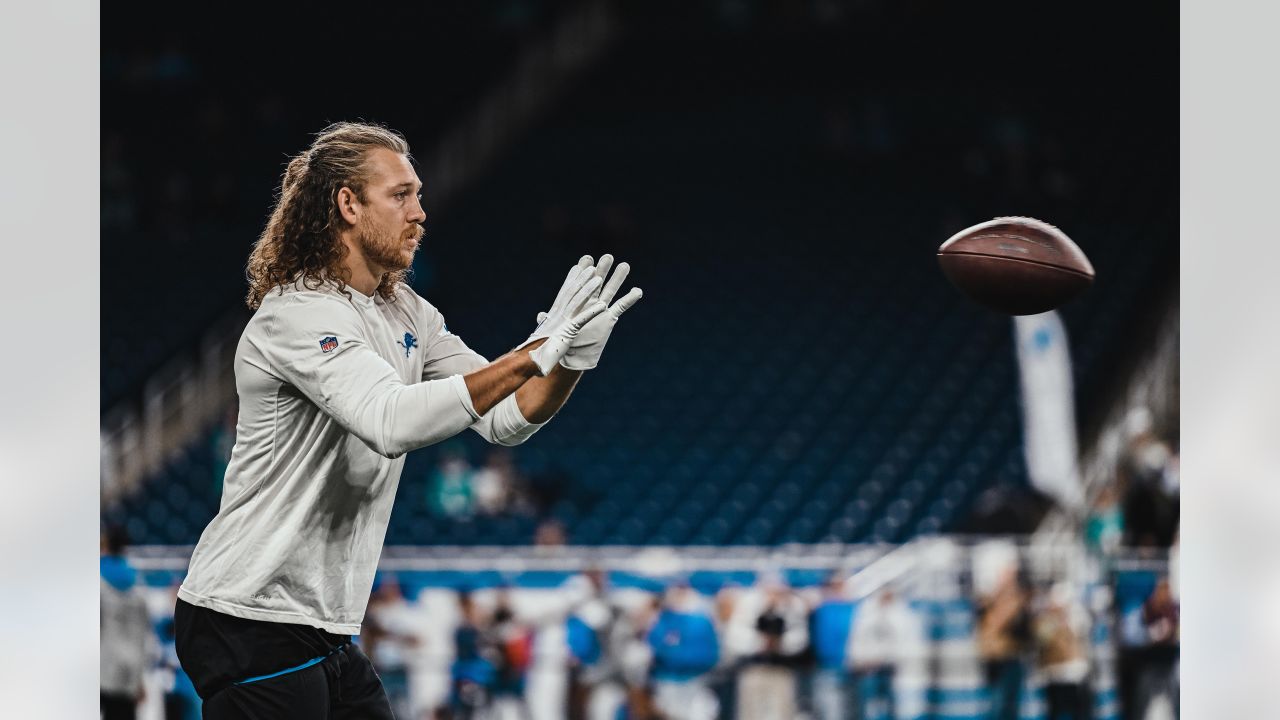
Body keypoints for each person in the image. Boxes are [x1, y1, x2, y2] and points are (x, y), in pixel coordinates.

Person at [173, 121, 643, 719]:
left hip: (322, 625)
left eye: (418, 194)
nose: (420, 212)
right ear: (347, 204)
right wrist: (531, 353)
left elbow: (505, 420)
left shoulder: (408, 312)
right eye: (400, 195)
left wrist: (568, 361)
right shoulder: (294, 313)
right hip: (249, 613)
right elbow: (389, 420)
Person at [101, 525, 153, 720]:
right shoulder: (138, 584)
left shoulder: (97, 579)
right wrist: (139, 679)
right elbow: (144, 635)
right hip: (128, 672)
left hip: (102, 667)